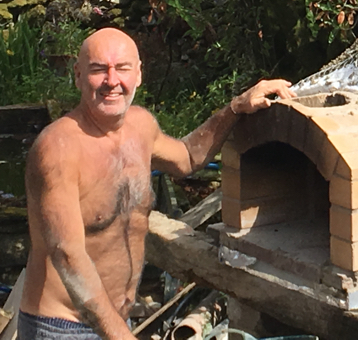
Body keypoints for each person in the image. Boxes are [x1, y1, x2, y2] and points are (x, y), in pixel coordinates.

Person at [19, 27, 294, 340]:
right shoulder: (58, 149)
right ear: (78, 75)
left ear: (138, 74)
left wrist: (237, 107)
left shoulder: (140, 125)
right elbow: (67, 255)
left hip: (112, 324)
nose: (112, 81)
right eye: (98, 70)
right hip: (63, 327)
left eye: (122, 68)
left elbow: (189, 158)